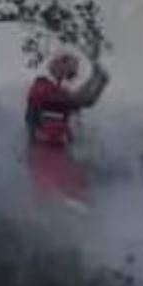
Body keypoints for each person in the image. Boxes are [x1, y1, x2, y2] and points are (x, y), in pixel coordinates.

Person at [26, 50, 109, 203]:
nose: (74, 73)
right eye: (71, 67)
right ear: (57, 64)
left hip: (60, 152)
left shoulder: (59, 91)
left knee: (80, 190)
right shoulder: (41, 87)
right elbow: (79, 100)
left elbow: (83, 100)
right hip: (43, 154)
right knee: (51, 194)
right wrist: (96, 80)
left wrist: (99, 81)